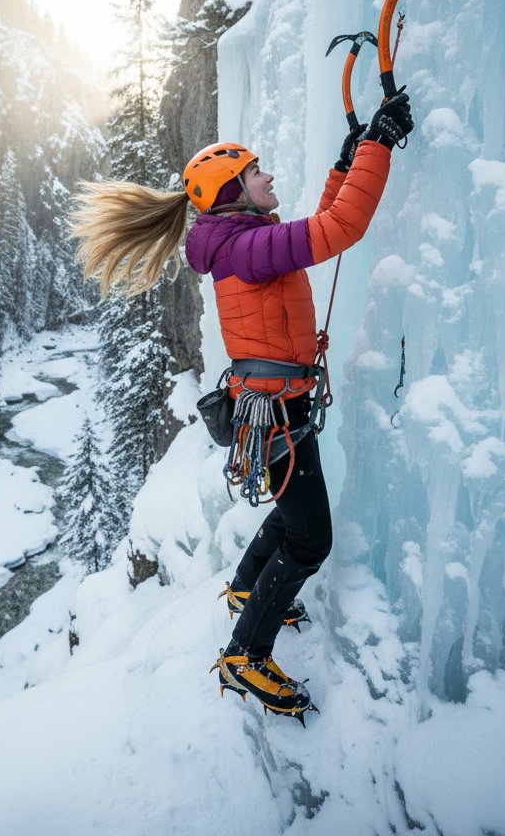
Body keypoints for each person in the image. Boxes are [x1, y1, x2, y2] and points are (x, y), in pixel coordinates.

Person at [70, 92, 414, 723]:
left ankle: (245, 589)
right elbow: (339, 230)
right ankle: (245, 655)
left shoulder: (243, 241)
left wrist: (346, 166)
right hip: (277, 412)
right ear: (234, 190)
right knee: (310, 540)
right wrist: (379, 145)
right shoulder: (244, 248)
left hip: (276, 408)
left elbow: (317, 225)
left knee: (293, 512)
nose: (269, 176)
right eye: (257, 172)